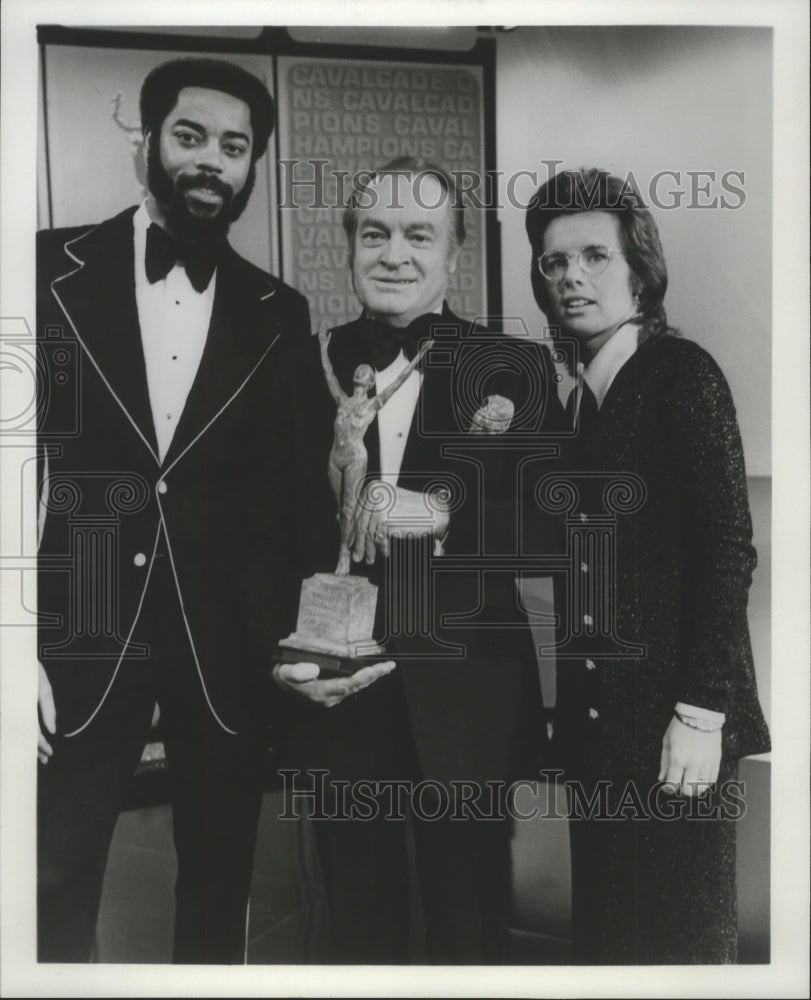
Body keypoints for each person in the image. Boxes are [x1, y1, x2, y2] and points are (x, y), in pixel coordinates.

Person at [35, 57, 321, 963]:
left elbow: (289, 498)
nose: (211, 162)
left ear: (250, 168)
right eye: (190, 137)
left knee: (220, 882)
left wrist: (286, 638)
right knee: (49, 876)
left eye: (234, 148)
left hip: (224, 653)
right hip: (73, 638)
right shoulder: (38, 267)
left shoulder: (281, 311)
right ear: (146, 147)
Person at [272, 157, 561, 963]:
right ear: (350, 248)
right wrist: (282, 658)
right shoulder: (302, 367)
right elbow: (261, 536)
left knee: (469, 931)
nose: (394, 253)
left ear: (453, 255)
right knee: (355, 929)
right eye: (375, 233)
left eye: (418, 235)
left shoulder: (514, 366)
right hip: (333, 688)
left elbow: (555, 530)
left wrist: (439, 512)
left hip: (466, 695)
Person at [524, 167, 771, 963]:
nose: (569, 277)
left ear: (640, 271)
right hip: (600, 735)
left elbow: (727, 549)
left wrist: (703, 712)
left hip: (677, 733)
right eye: (553, 262)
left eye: (593, 256)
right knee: (607, 950)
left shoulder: (681, 375)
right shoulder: (575, 401)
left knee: (682, 955)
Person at [318, 330, 433, 575]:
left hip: (356, 458)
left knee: (349, 508)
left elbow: (397, 383)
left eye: (366, 372)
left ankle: (344, 557)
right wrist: (323, 347)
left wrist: (419, 356)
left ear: (370, 383)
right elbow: (328, 374)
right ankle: (346, 547)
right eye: (359, 370)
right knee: (341, 510)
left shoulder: (372, 404)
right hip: (335, 456)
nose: (361, 371)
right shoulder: (343, 399)